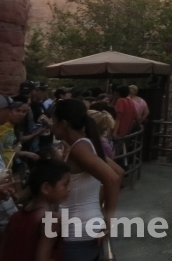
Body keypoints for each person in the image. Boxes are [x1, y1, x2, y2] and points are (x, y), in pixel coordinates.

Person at [50, 99, 121, 261]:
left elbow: (113, 179)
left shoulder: (79, 149)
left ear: (63, 123)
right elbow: (118, 171)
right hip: (87, 227)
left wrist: (108, 221)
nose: (51, 126)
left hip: (78, 233)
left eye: (53, 121)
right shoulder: (86, 144)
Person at [0, 158, 71, 261]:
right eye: (65, 184)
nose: (69, 189)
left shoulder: (15, 216)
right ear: (46, 188)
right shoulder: (52, 219)